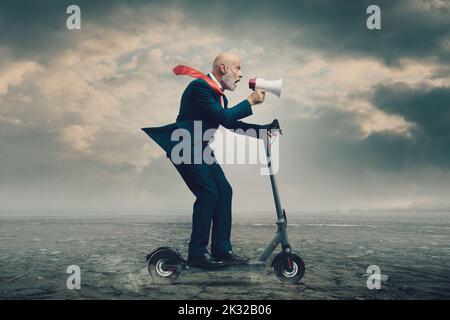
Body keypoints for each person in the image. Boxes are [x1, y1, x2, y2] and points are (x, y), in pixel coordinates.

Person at [143, 52, 273, 268]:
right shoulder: (200, 87)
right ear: (223, 68)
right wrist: (250, 101)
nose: (241, 74)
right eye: (237, 68)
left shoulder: (220, 95)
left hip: (199, 148)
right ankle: (197, 254)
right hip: (184, 146)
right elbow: (223, 117)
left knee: (224, 191)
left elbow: (229, 123)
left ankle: (222, 250)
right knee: (209, 193)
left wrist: (264, 130)